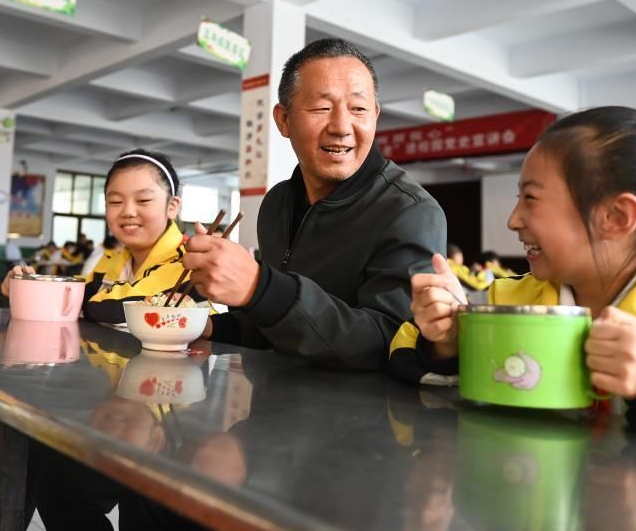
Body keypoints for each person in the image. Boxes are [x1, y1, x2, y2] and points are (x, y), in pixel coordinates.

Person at [390, 106, 636, 443]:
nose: (513, 220)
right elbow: (402, 345)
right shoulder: (508, 303)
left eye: (531, 198)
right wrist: (446, 342)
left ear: (616, 216)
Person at [181, 38, 447, 370]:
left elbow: (392, 341)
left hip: (363, 418)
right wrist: (206, 327)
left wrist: (260, 287)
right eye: (322, 108)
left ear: (375, 116)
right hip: (272, 410)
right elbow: (279, 326)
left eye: (358, 109)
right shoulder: (277, 204)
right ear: (284, 120)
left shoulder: (409, 211)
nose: (341, 127)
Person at [2, 149, 201, 323]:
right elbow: (76, 294)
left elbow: (114, 308)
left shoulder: (189, 264)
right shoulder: (113, 261)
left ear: (172, 206)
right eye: (115, 202)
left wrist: (75, 302)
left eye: (143, 200)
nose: (128, 211)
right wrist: (25, 288)